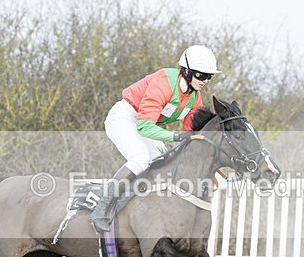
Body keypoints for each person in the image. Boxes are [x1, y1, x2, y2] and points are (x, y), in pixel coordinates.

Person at [90, 45, 220, 232]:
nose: (205, 80)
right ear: (186, 71)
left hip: (146, 124)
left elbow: (192, 139)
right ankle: (101, 207)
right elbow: (144, 126)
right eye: (201, 75)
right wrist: (176, 136)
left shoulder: (194, 98)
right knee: (140, 158)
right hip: (125, 116)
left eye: (209, 76)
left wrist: (213, 169)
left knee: (162, 162)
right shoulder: (165, 81)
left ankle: (130, 209)